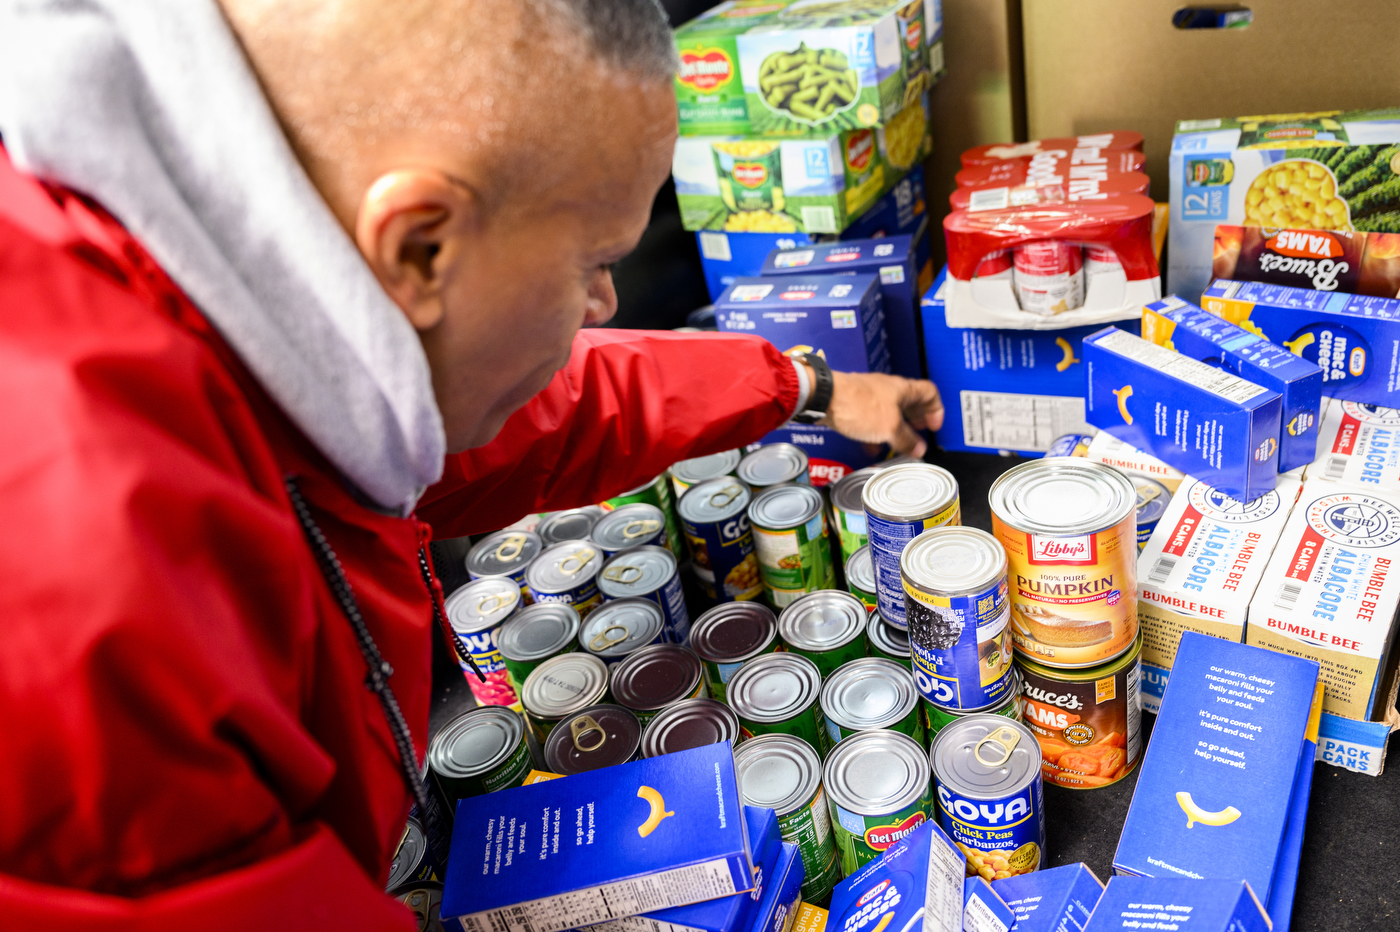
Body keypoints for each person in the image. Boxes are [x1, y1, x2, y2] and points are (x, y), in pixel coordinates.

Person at [0, 0, 943, 926]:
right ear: (419, 245)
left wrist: (800, 385)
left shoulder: (242, 268)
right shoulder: (94, 595)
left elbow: (541, 410)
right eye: (591, 263)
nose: (605, 304)